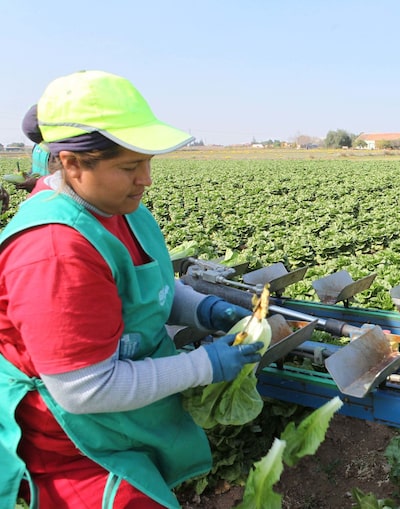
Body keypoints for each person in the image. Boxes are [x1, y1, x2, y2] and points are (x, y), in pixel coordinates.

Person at [0, 70, 265, 509]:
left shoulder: (118, 207)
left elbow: (148, 285)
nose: (146, 178)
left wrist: (203, 308)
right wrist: (203, 364)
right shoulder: (53, 253)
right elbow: (84, 389)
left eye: (147, 162)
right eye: (128, 167)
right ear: (71, 163)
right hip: (74, 441)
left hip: (120, 413)